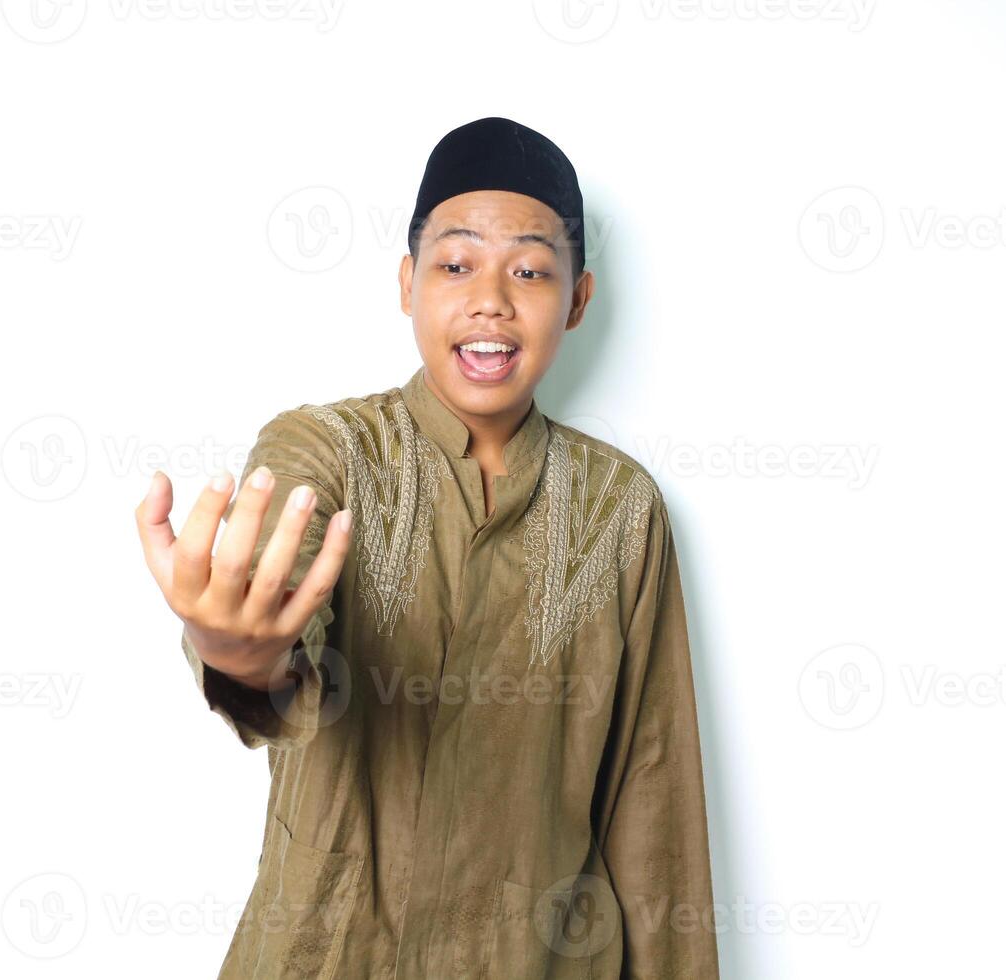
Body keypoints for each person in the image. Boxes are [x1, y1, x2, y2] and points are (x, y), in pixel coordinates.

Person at [135, 116, 720, 979]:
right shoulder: (323, 449)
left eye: (529, 269)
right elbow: (275, 594)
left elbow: (654, 796)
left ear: (580, 299)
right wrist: (238, 652)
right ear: (408, 283)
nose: (490, 297)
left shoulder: (622, 508)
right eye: (455, 264)